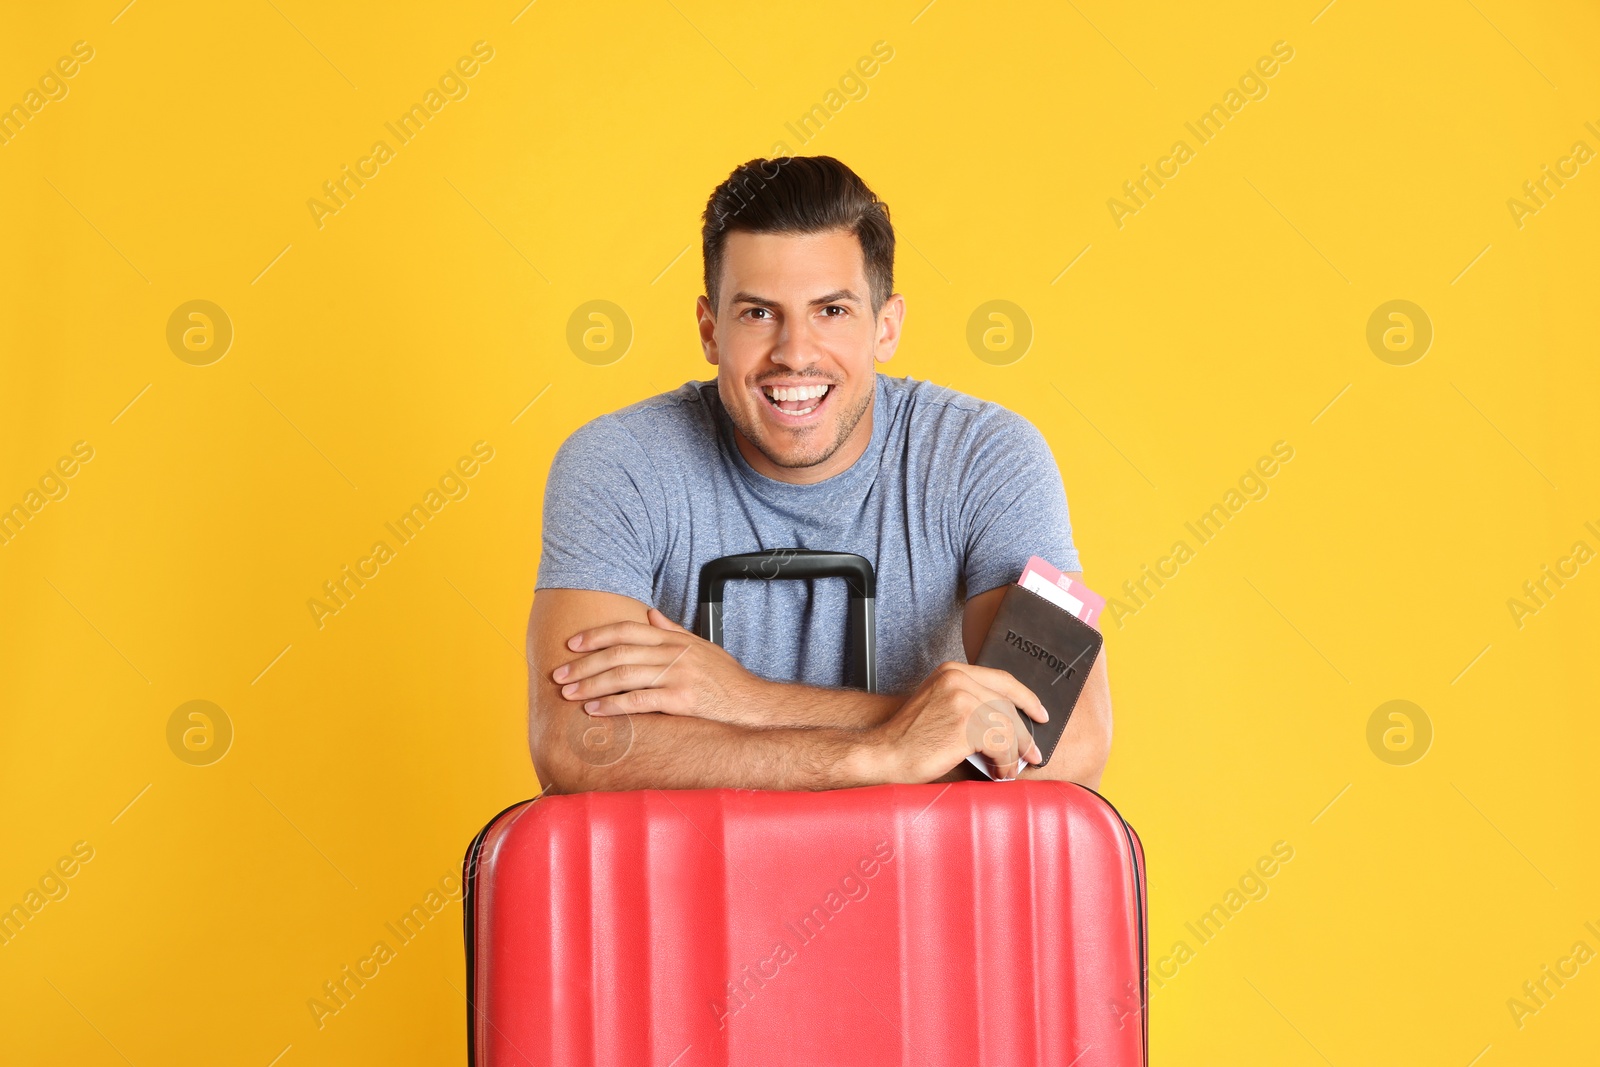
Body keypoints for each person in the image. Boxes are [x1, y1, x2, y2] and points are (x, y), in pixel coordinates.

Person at [527, 156, 1112, 794]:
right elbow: (577, 744)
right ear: (708, 330)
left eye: (831, 311)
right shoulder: (618, 464)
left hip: (931, 878)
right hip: (692, 881)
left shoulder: (987, 456)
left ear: (885, 327)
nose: (796, 352)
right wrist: (878, 756)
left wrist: (748, 700)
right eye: (757, 314)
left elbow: (1069, 736)